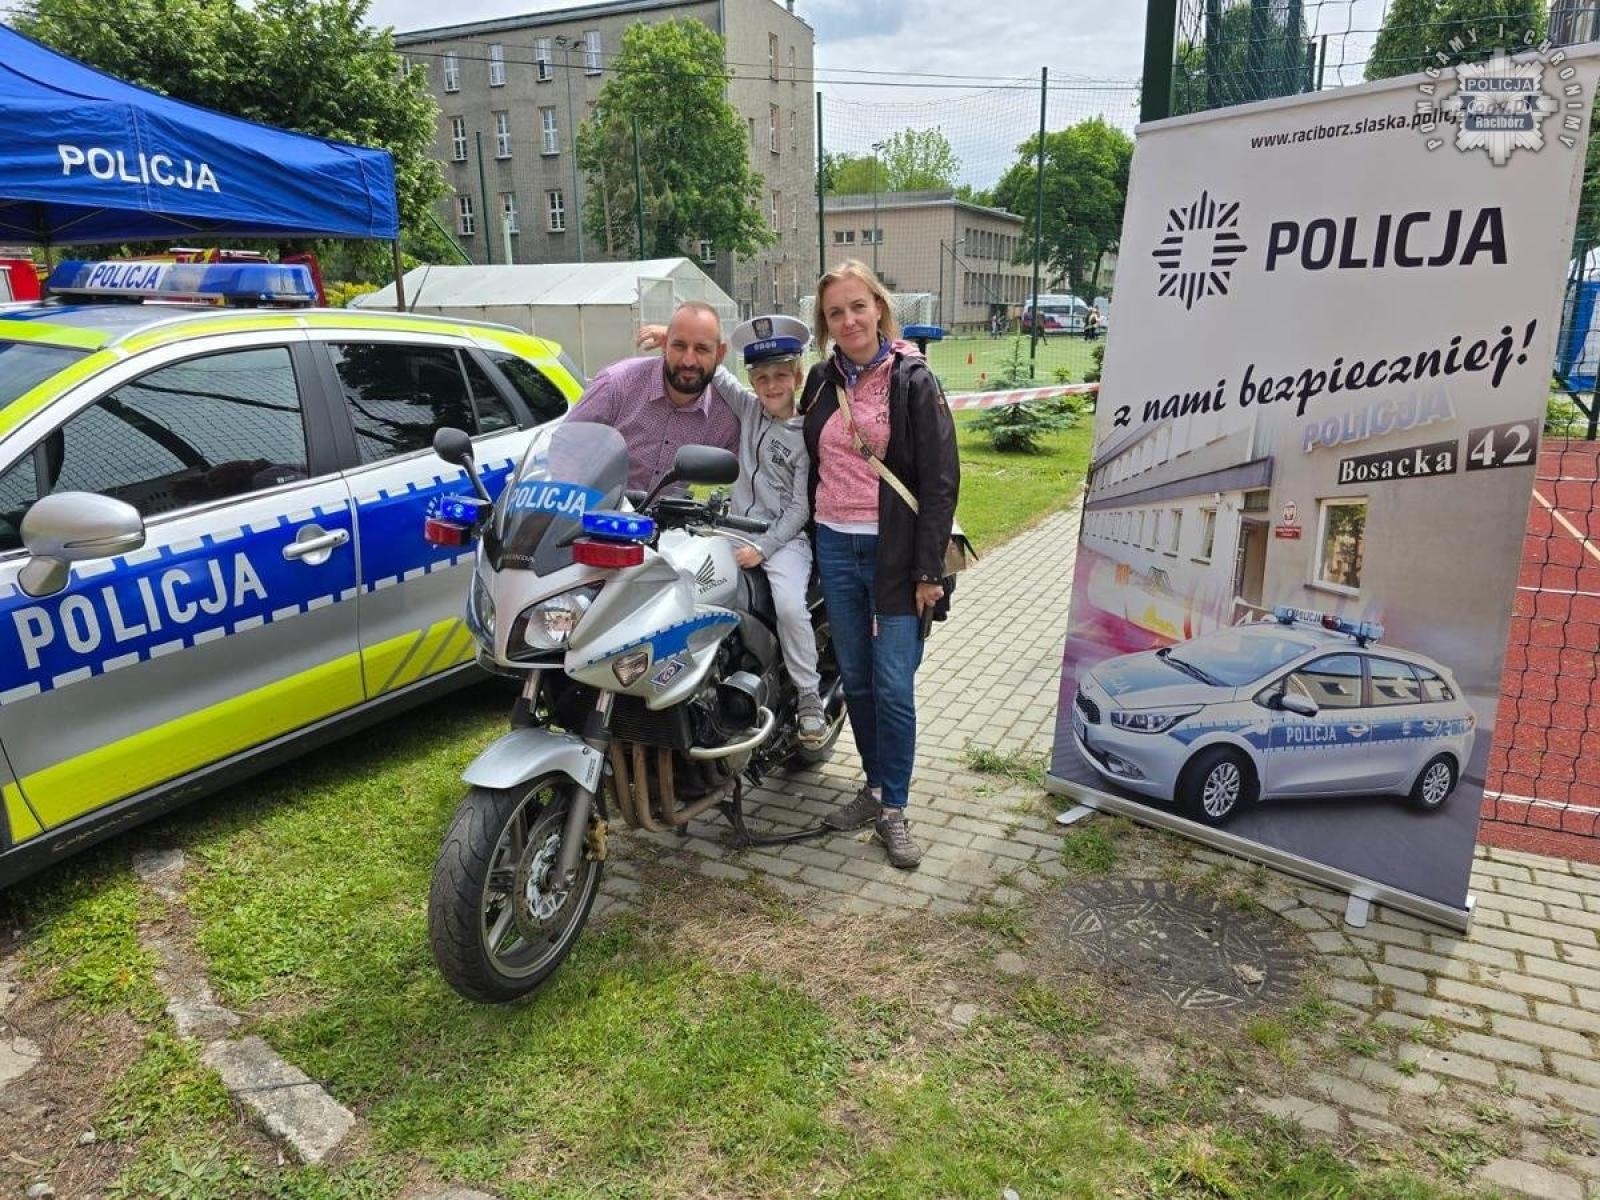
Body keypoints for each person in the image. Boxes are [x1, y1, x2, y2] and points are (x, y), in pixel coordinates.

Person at [800, 260, 959, 870]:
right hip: (836, 548)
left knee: (893, 687)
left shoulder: (913, 379)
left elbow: (942, 481)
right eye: (836, 312)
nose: (848, 319)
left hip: (896, 556)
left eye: (857, 306)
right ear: (827, 322)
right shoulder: (820, 380)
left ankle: (895, 808)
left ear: (879, 308)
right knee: (857, 681)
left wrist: (928, 571)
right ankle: (870, 788)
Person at [637, 313, 828, 747]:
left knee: (791, 607)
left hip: (783, 542)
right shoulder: (749, 409)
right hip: (730, 529)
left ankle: (808, 696)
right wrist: (674, 337)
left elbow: (801, 507)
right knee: (680, 571)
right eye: (762, 378)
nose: (771, 386)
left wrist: (765, 547)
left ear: (797, 377)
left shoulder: (805, 435)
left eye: (781, 376)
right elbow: (717, 376)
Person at [567, 301, 739, 494]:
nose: (689, 361)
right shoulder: (615, 385)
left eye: (701, 349)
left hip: (664, 522)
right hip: (598, 515)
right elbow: (563, 448)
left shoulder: (727, 419)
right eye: (679, 346)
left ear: (720, 353)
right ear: (664, 345)